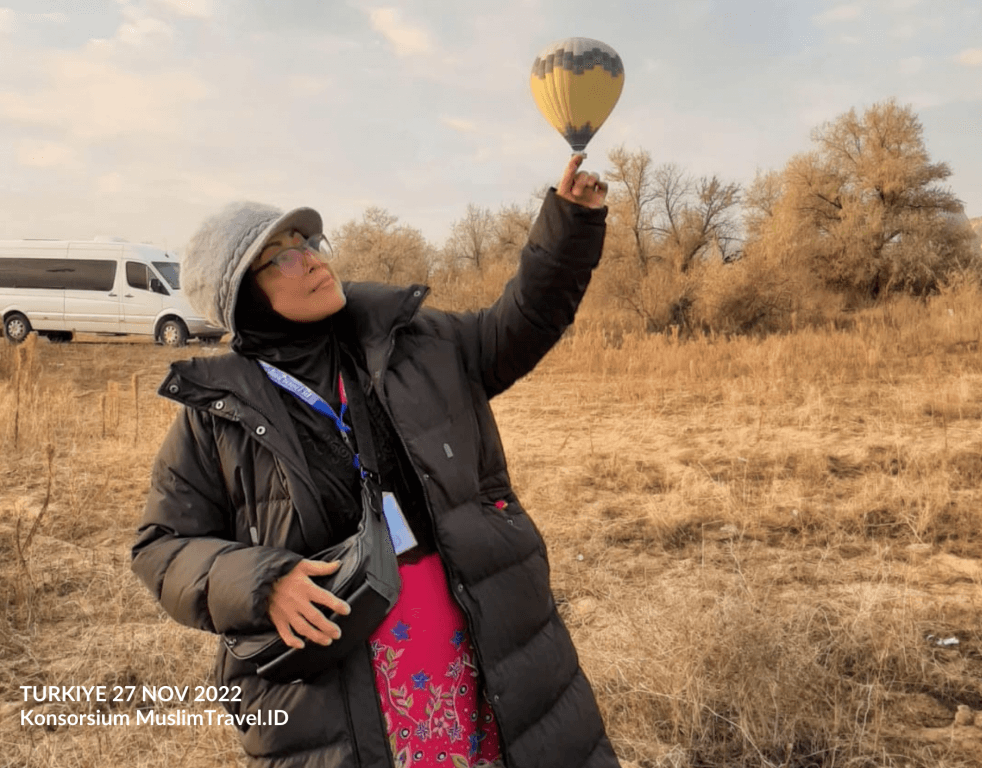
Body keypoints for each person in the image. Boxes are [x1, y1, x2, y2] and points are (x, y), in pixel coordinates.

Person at [131, 155, 620, 768]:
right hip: (343, 690)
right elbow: (160, 546)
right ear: (242, 298)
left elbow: (521, 323)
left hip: (482, 637)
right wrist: (262, 584)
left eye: (309, 243)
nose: (313, 259)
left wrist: (570, 225)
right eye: (283, 256)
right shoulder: (216, 415)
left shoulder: (413, 341)